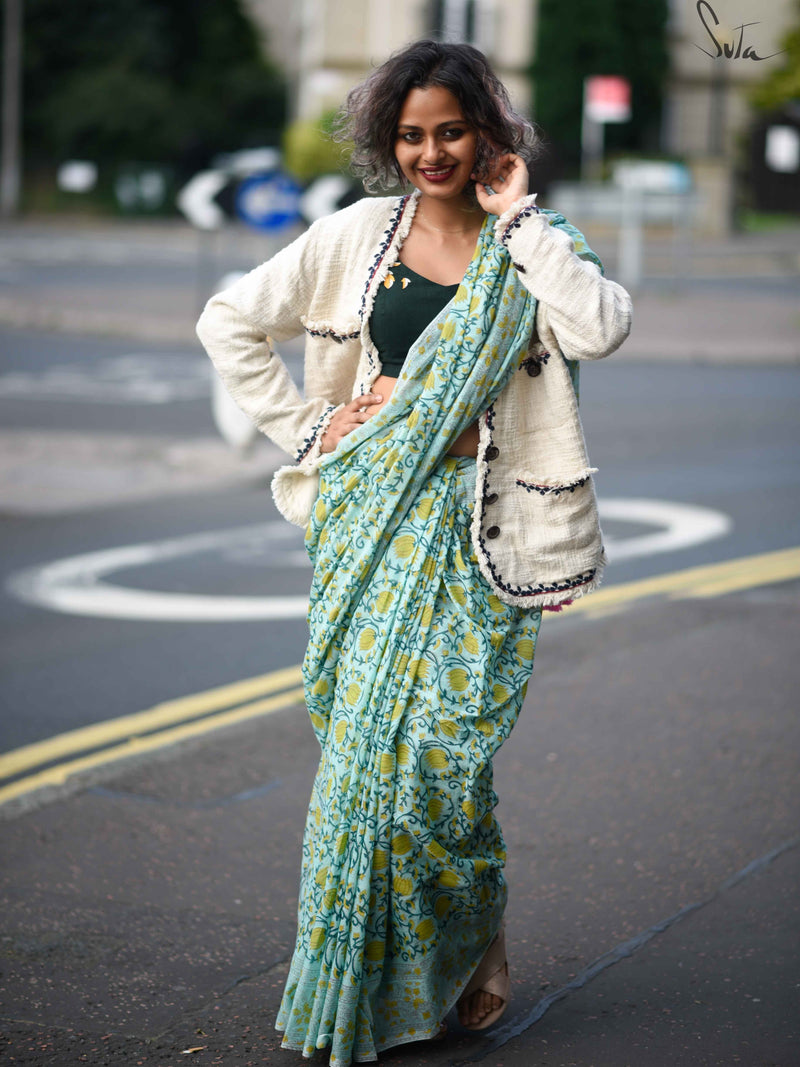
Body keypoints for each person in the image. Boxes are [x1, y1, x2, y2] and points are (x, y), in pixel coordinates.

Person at [197, 39, 631, 1067]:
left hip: (480, 530)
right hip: (370, 521)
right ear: (387, 139)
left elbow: (599, 325)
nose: (429, 151)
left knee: (440, 766)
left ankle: (466, 941)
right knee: (360, 775)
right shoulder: (355, 235)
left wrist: (520, 217)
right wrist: (310, 429)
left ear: (486, 130)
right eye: (409, 133)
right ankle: (364, 991)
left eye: (448, 130)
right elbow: (229, 323)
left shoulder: (529, 241)